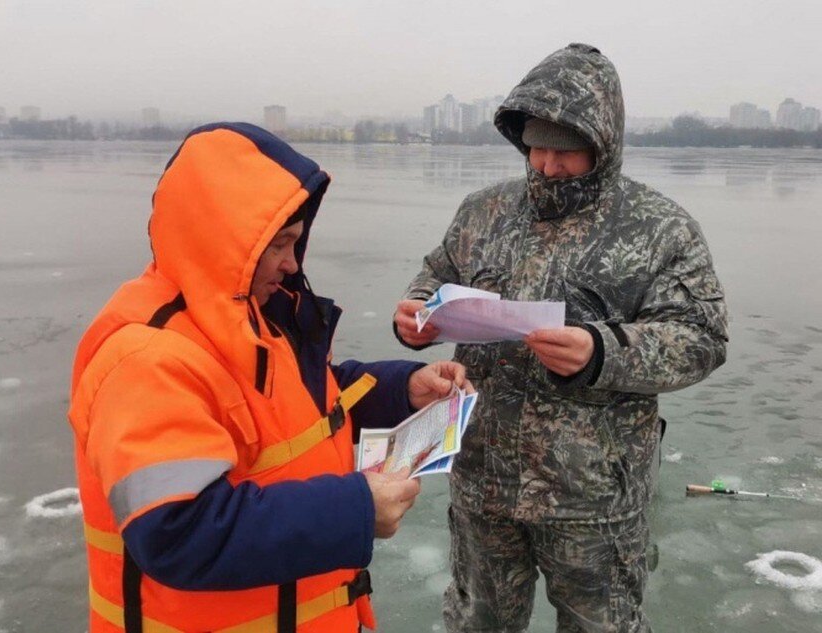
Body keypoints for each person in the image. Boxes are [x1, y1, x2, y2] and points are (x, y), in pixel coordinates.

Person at [68, 122, 471, 633]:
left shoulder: (249, 317)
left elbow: (302, 405)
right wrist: (354, 512)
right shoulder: (145, 357)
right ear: (224, 239)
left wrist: (402, 388)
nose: (289, 263)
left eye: (295, 243)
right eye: (277, 244)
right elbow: (177, 531)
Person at [394, 44, 728, 632]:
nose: (547, 165)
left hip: (593, 497)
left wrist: (602, 351)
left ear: (603, 145)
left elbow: (701, 338)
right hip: (484, 481)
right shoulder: (482, 212)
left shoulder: (661, 228)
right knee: (477, 623)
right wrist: (416, 318)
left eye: (566, 152)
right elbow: (433, 281)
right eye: (536, 148)